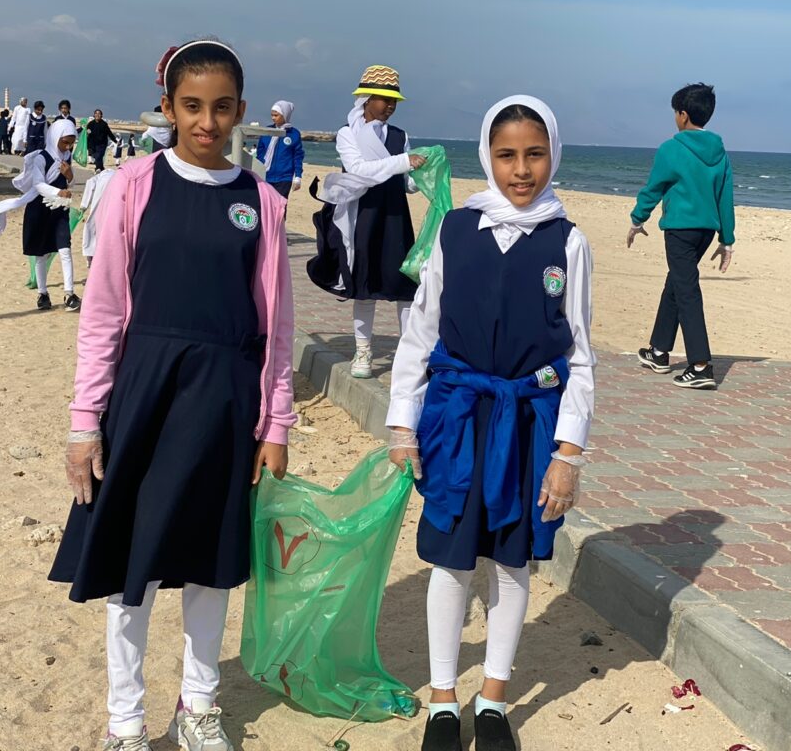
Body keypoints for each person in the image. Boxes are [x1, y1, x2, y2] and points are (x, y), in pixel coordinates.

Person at [49, 38, 295, 751]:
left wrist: (276, 422)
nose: (206, 122)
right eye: (192, 106)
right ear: (167, 107)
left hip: (226, 401)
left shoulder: (263, 202)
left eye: (221, 108)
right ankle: (125, 721)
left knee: (209, 564)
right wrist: (84, 422)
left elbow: (277, 326)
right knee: (134, 563)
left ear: (241, 111)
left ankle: (199, 705)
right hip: (145, 395)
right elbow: (103, 313)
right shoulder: (132, 185)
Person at [386, 96, 595, 751]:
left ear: (553, 156)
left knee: (511, 561)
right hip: (457, 418)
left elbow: (580, 355)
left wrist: (568, 453)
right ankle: (443, 702)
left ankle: (494, 699)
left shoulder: (568, 241)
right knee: (451, 562)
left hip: (528, 423)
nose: (521, 170)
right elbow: (420, 332)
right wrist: (402, 424)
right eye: (507, 155)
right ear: (487, 156)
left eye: (535, 154)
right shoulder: (455, 230)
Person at [307, 65, 425, 380]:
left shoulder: (400, 136)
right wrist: (403, 162)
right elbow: (359, 170)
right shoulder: (349, 134)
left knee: (405, 286)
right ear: (366, 99)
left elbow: (405, 182)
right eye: (384, 99)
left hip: (395, 215)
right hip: (364, 215)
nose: (390, 106)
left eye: (394, 100)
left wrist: (422, 176)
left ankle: (409, 355)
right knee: (364, 286)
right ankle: (363, 350)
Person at [627, 83, 735, 390]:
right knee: (676, 282)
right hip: (706, 232)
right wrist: (727, 239)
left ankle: (700, 366)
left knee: (687, 290)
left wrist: (637, 219)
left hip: (680, 230)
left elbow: (654, 188)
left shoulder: (671, 149)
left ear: (683, 115)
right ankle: (659, 352)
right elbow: (725, 196)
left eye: (676, 112)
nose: (675, 117)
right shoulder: (720, 152)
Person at [0, 119, 81, 312]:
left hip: (59, 209)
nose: (68, 146)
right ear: (55, 137)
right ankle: (43, 293)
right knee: (41, 252)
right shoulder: (42, 158)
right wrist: (58, 192)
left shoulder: (66, 157)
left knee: (65, 248)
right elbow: (38, 184)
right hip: (40, 208)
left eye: (71, 143)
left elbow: (69, 183)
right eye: (65, 142)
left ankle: (69, 293)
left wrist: (70, 176)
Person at [254, 100, 304, 199]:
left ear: (285, 115)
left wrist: (298, 176)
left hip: (284, 178)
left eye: (276, 115)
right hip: (265, 175)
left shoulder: (294, 134)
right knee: (265, 204)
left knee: (280, 206)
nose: (273, 118)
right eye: (272, 115)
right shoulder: (267, 131)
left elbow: (297, 156)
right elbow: (260, 153)